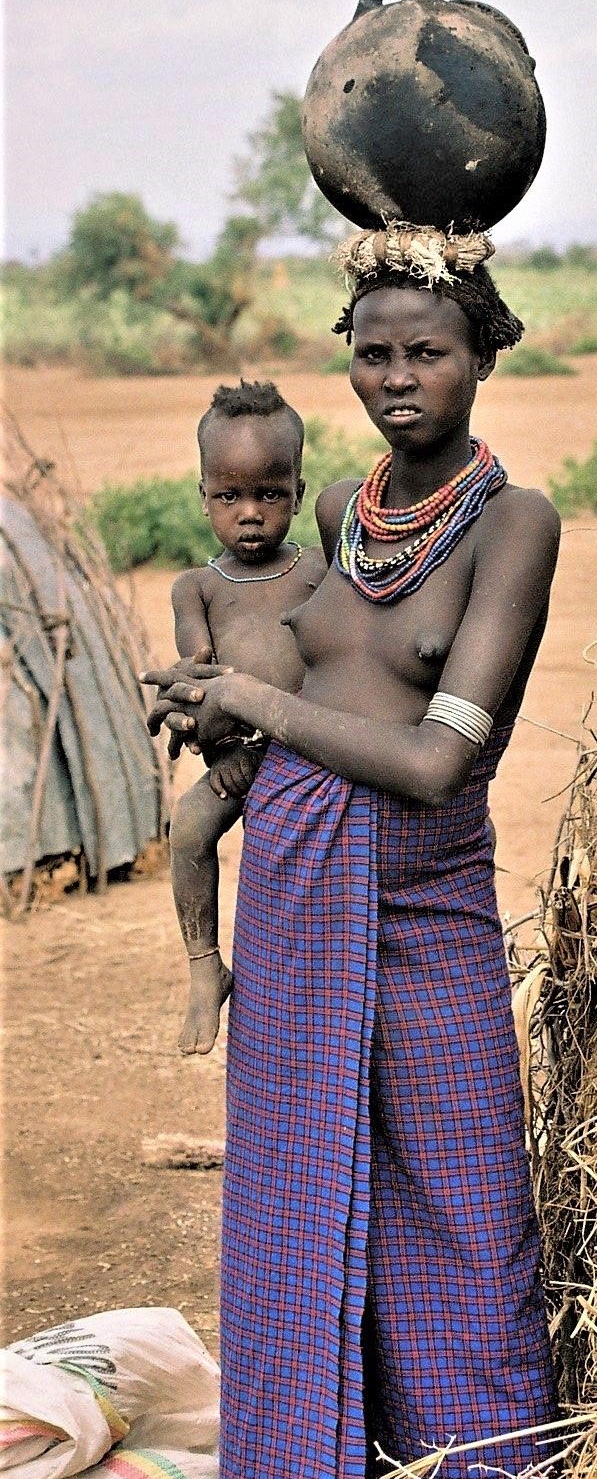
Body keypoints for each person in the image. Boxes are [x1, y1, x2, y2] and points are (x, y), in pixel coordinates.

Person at [144, 224, 561, 1479]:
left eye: (428, 351)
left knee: (471, 1248)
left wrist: (249, 700)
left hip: (428, 918)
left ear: (484, 353)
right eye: (374, 352)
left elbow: (444, 757)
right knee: (304, 1242)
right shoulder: (333, 509)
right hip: (304, 901)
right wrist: (219, 710)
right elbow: (304, 694)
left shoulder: (514, 524)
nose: (398, 379)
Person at [168, 380, 327, 1054]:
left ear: (297, 488)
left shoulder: (321, 571)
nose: (252, 514)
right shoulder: (197, 588)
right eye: (229, 496)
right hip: (237, 754)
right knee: (188, 828)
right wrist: (216, 751)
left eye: (270, 493)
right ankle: (206, 967)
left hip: (316, 750)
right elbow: (198, 678)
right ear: (204, 495)